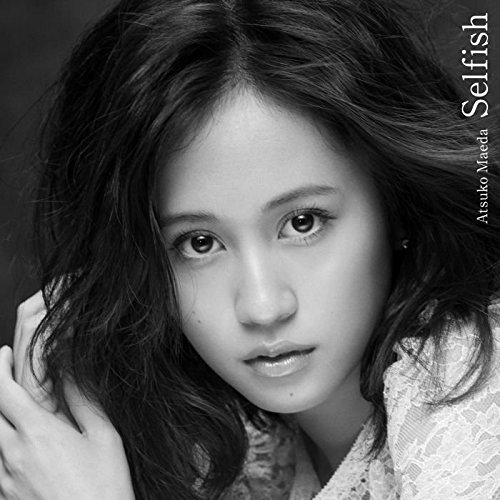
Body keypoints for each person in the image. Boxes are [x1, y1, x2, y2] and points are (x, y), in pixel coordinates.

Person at [0, 0, 499, 498]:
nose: (263, 307)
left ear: (397, 205)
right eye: (200, 243)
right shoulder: (235, 451)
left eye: (302, 223)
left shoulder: (473, 393)